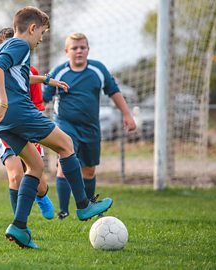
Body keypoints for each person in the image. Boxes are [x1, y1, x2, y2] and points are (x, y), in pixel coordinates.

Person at [0, 6, 113, 249]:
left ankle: (19, 227)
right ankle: (84, 205)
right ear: (32, 28)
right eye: (41, 34)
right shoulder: (20, 45)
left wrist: (45, 79)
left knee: (34, 166)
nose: (41, 39)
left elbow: (15, 75)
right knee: (66, 144)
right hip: (16, 111)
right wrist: (4, 101)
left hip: (2, 121)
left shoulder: (3, 46)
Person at [43, 32, 136, 220]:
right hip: (65, 124)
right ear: (66, 51)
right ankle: (64, 211)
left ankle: (89, 206)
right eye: (74, 48)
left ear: (88, 49)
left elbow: (114, 92)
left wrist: (127, 114)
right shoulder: (59, 72)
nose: (79, 51)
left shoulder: (98, 70)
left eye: (82, 47)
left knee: (89, 169)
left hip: (91, 127)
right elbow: (43, 98)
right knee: (64, 163)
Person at [0, 27, 54, 221]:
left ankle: (42, 195)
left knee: (38, 181)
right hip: (3, 129)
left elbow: (38, 106)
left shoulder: (30, 73)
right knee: (16, 175)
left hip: (26, 126)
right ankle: (20, 224)